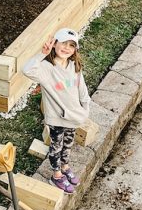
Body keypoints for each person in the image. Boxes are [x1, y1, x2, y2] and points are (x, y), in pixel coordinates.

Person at [23, 28, 91, 194]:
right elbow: (26, 70)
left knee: (68, 144)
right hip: (57, 118)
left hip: (73, 116)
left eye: (71, 45)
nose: (66, 48)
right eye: (63, 43)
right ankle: (57, 175)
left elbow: (82, 89)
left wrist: (85, 108)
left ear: (75, 49)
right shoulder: (46, 68)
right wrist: (41, 54)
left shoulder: (75, 66)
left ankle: (65, 166)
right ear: (55, 44)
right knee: (56, 147)